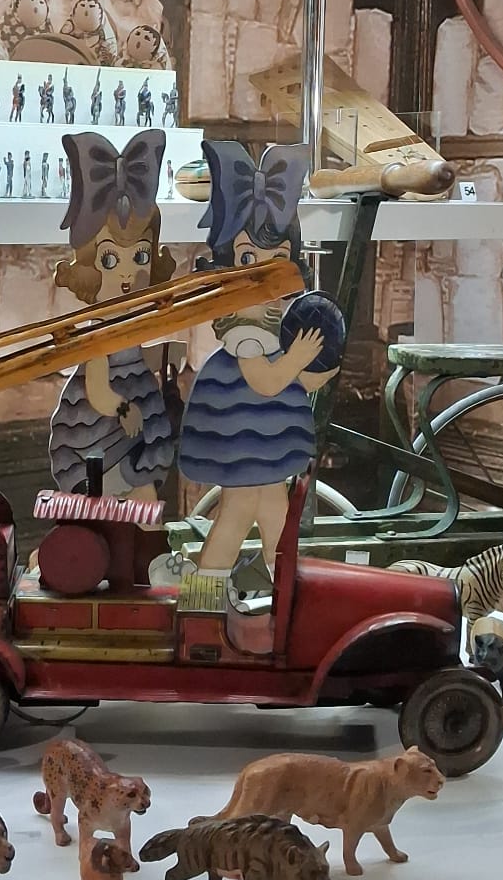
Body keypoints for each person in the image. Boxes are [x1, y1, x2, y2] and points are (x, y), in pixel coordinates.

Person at [177, 142, 340, 603]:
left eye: (278, 260)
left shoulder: (277, 328)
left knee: (275, 512)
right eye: (249, 259)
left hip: (265, 443)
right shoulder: (246, 333)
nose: (266, 276)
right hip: (242, 435)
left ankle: (285, 592)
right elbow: (267, 382)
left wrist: (319, 370)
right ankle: (204, 598)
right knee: (237, 511)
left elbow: (293, 382)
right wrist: (298, 359)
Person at [48, 130, 176, 498]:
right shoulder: (98, 334)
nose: (126, 273)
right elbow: (97, 389)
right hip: (102, 430)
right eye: (109, 260)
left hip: (137, 416)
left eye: (140, 256)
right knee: (126, 493)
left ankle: (141, 532)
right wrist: (123, 409)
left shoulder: (131, 323)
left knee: (144, 493)